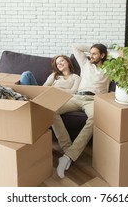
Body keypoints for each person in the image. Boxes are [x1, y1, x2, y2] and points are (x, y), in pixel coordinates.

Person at [52, 43, 110, 178]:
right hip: (77, 97)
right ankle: (68, 151)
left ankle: (67, 158)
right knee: (50, 109)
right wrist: (93, 47)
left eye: (95, 53)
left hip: (94, 100)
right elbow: (75, 47)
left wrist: (107, 49)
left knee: (95, 118)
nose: (91, 56)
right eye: (91, 53)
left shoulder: (111, 68)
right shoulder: (86, 64)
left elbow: (121, 56)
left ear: (102, 55)